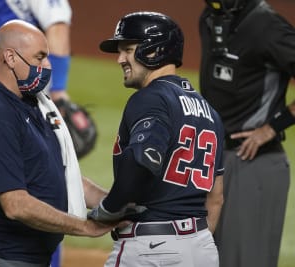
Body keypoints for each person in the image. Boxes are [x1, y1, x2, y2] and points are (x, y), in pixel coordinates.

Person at [0, 19, 117, 267]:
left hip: (22, 257)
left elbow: (62, 175)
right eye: (40, 58)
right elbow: (16, 205)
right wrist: (86, 227)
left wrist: (117, 205)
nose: (48, 66)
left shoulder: (32, 103)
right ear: (10, 57)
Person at [88, 11, 225, 267]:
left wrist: (110, 209)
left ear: (154, 51)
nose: (120, 59)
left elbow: (142, 159)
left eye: (128, 49)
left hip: (151, 250)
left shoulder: (151, 98)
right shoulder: (210, 112)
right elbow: (216, 197)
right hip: (201, 248)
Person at [199, 1, 295, 266]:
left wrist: (272, 127)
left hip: (250, 163)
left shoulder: (268, 27)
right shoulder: (210, 17)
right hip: (211, 162)